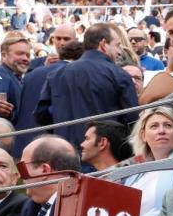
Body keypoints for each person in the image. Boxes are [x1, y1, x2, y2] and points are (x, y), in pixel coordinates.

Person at [34, 23, 139, 151]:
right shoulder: (119, 75)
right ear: (103, 44)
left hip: (66, 152)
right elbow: (132, 120)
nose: (119, 51)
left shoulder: (57, 74)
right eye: (117, 45)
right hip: (104, 153)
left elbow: (41, 115)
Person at [0, 136, 80, 216]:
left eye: (22, 168)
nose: (21, 176)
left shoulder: (79, 198)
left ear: (44, 170)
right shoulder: (32, 206)